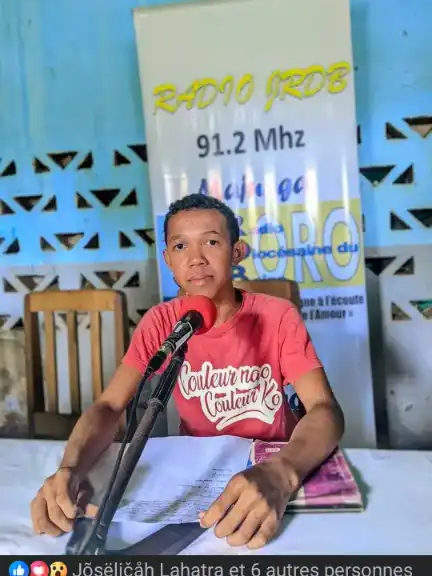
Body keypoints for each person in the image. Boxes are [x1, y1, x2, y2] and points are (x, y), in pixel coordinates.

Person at [30, 193, 344, 550]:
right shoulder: (161, 322)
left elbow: (324, 409)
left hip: (269, 473)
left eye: (211, 242)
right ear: (168, 259)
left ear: (237, 252)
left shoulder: (278, 316)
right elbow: (110, 406)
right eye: (181, 246)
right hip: (199, 477)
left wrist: (282, 471)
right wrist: (70, 469)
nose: (196, 259)